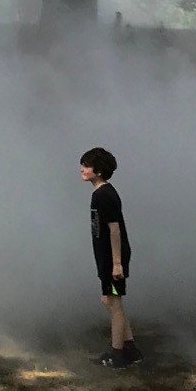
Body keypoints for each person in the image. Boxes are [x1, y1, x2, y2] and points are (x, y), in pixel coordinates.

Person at [80, 148, 141, 368]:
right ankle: (131, 349)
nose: (82, 169)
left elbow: (114, 230)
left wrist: (117, 264)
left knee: (114, 304)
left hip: (112, 259)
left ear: (98, 170)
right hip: (105, 258)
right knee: (109, 300)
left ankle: (117, 354)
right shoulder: (99, 194)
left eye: (86, 166)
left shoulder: (104, 195)